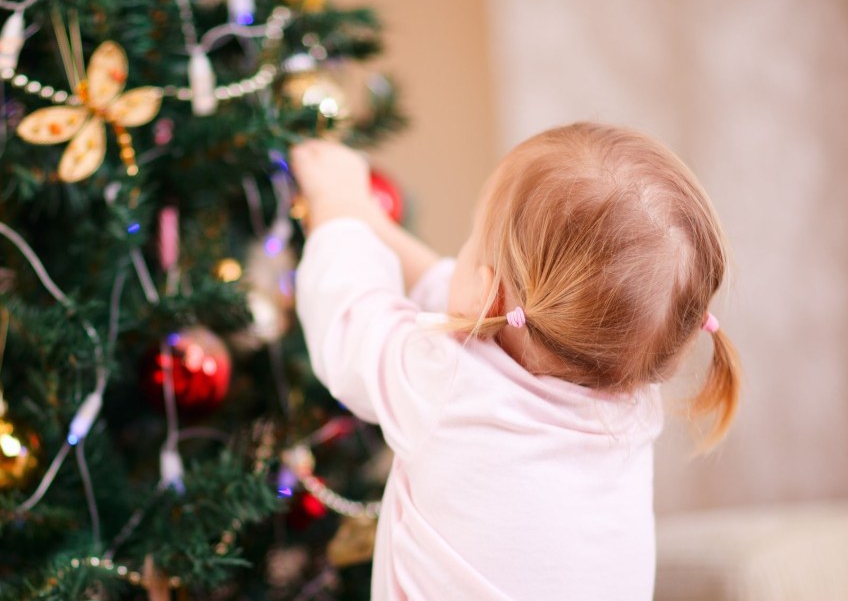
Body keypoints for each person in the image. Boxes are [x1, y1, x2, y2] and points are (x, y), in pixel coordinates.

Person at [291, 122, 740, 600]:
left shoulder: (449, 384)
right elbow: (468, 304)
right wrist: (375, 223)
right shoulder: (630, 399)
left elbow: (349, 319)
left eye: (470, 241)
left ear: (488, 293)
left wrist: (337, 207)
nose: (457, 258)